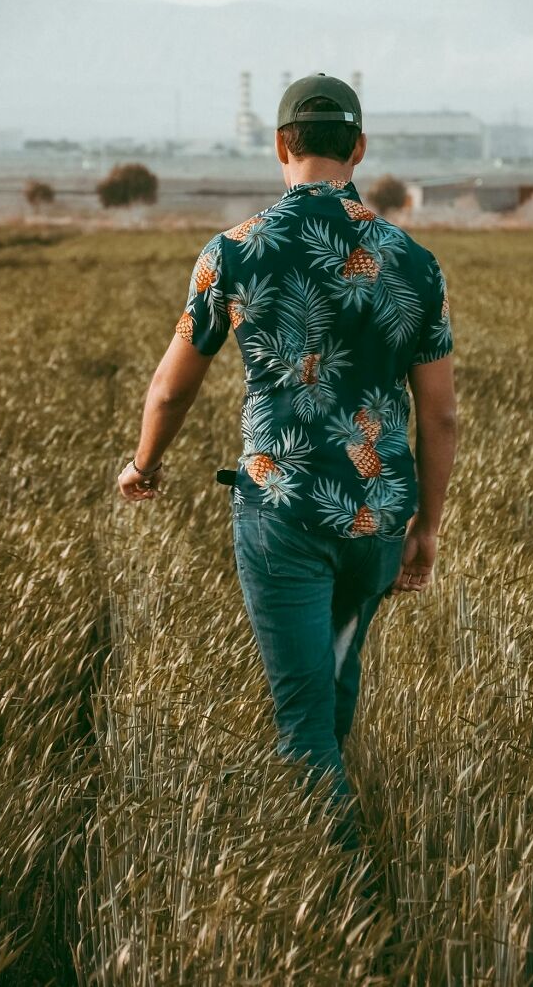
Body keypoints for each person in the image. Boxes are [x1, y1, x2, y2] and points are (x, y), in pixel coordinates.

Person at [117, 73, 458, 858]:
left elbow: (170, 389)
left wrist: (142, 465)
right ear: (360, 148)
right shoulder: (414, 262)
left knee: (302, 721)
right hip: (376, 517)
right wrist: (428, 527)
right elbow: (440, 414)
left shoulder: (232, 253)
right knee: (333, 689)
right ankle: (352, 862)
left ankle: (343, 891)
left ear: (280, 147)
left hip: (282, 515)